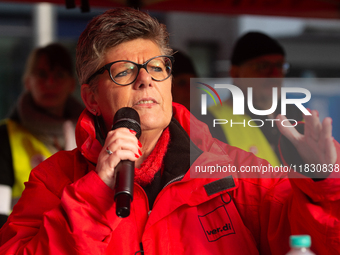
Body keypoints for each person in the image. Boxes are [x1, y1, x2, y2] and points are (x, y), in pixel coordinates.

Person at [0, 8, 339, 255]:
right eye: (123, 71)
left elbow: (319, 240)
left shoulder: (234, 174)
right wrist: (94, 194)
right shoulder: (55, 181)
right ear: (90, 97)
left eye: (156, 67)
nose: (145, 79)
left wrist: (324, 182)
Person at [0, 43, 84, 227]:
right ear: (27, 82)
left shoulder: (88, 134)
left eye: (59, 75)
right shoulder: (5, 136)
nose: (50, 82)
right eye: (42, 74)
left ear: (71, 83)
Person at [196, 32, 301, 167]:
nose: (274, 74)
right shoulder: (208, 123)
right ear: (235, 72)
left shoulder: (299, 117)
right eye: (262, 66)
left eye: (280, 66)